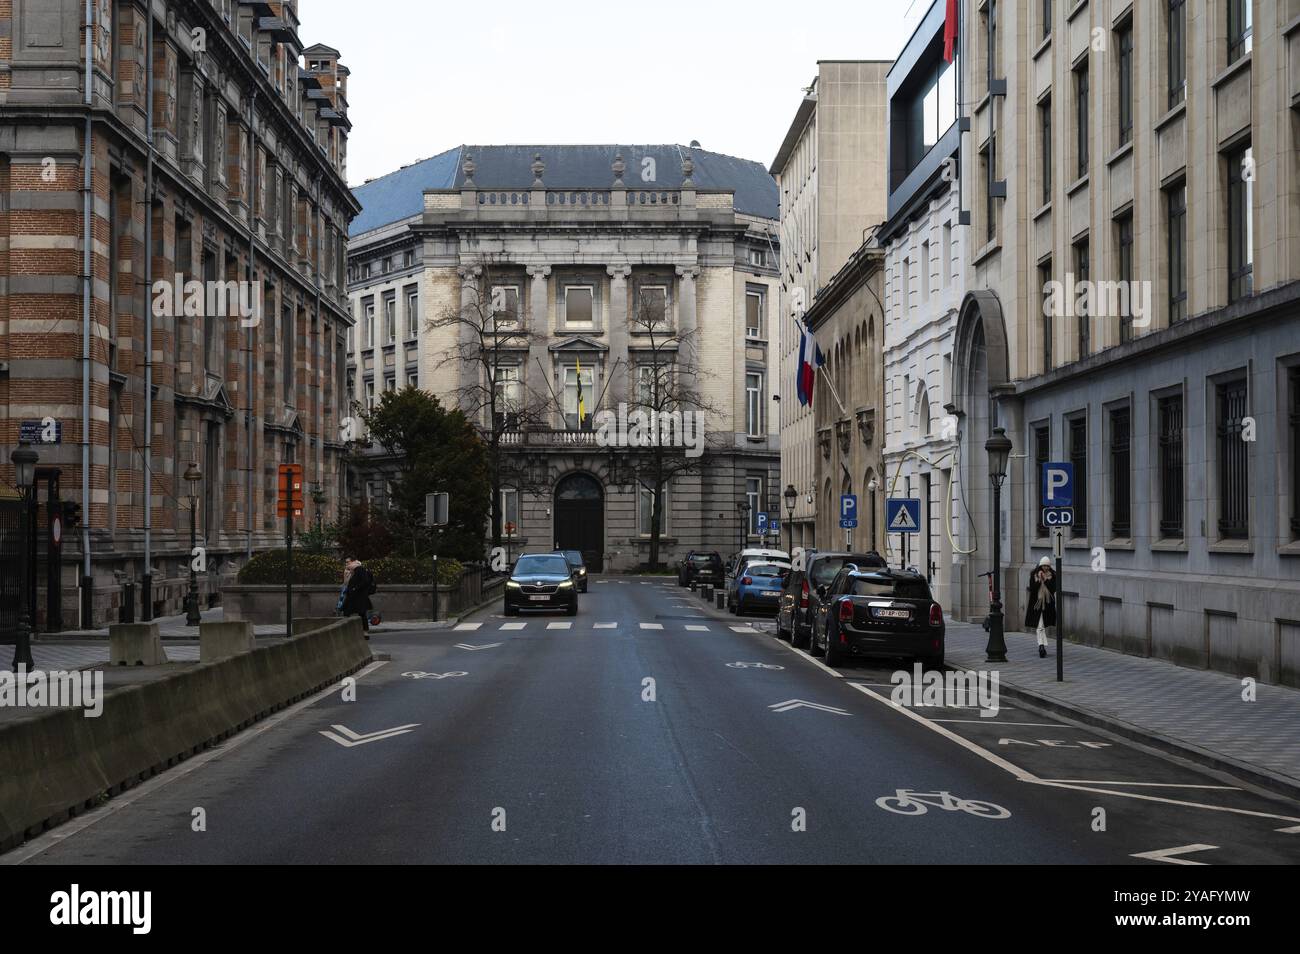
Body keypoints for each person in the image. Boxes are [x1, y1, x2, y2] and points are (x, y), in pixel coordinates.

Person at [1024, 556, 1057, 658]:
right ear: (1040, 565)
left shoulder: (1053, 575)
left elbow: (1053, 589)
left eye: (1047, 566)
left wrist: (1046, 580)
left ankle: (1042, 646)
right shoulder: (1034, 575)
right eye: (1044, 565)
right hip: (1036, 605)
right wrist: (1039, 580)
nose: (1045, 568)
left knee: (1041, 627)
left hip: (1047, 605)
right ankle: (1041, 646)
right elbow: (1032, 589)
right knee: (1040, 626)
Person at [340, 557, 377, 640]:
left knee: (359, 613)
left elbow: (365, 581)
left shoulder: (359, 569)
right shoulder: (352, 571)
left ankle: (364, 633)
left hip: (359, 597)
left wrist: (355, 588)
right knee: (348, 612)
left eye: (348, 562)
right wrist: (347, 575)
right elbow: (346, 584)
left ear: (354, 562)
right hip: (353, 597)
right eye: (345, 562)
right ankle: (361, 632)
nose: (346, 564)